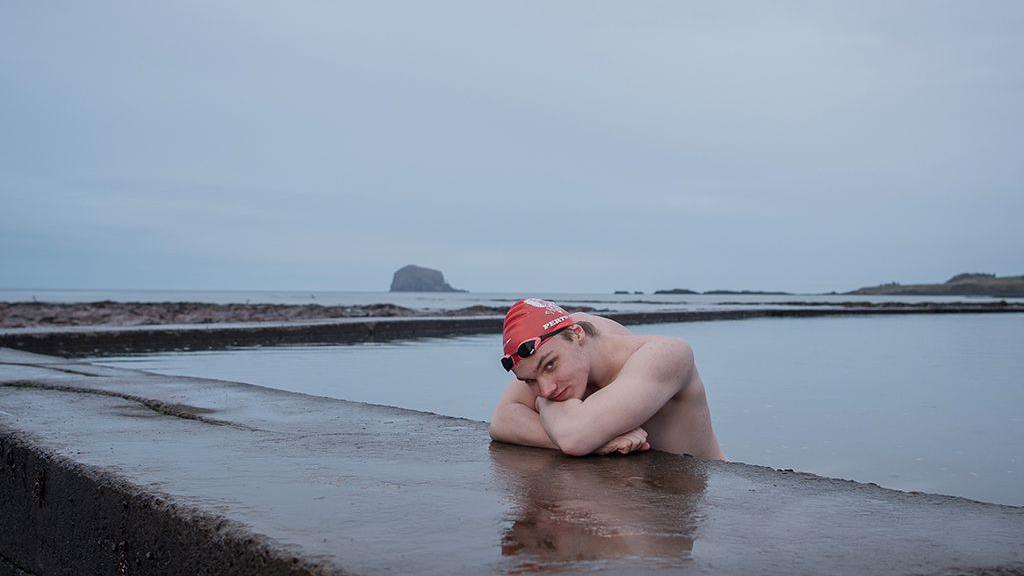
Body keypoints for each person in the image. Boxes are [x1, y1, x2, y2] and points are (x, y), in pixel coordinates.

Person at [489, 298, 726, 459]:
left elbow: (574, 437)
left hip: (706, 504)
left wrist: (543, 405)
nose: (546, 389)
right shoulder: (563, 338)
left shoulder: (668, 355)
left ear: (578, 335)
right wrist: (602, 443)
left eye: (550, 365)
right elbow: (501, 421)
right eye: (530, 381)